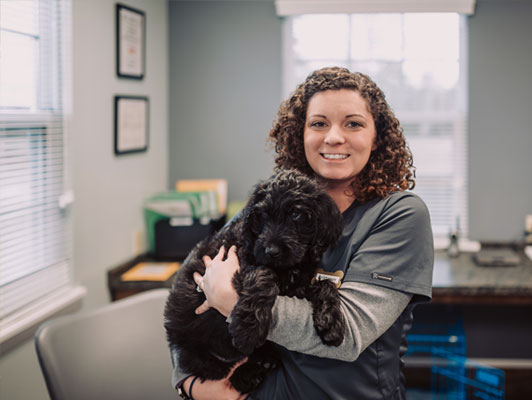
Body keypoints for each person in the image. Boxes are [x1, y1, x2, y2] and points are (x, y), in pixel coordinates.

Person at [172, 66, 434, 400]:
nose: (333, 137)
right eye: (318, 123)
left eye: (353, 123)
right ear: (301, 133)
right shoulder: (273, 200)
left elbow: (349, 334)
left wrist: (231, 301)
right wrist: (188, 383)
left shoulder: (399, 214)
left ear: (377, 136)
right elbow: (188, 284)